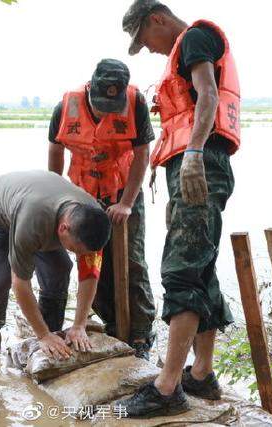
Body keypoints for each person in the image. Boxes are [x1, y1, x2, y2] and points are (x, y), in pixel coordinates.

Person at [117, 0, 241, 417]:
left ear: (158, 19)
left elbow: (207, 94)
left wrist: (193, 153)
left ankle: (167, 387)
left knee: (181, 269)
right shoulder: (184, 48)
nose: (149, 49)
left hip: (199, 163)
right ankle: (201, 375)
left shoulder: (195, 39)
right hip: (195, 167)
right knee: (200, 267)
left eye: (145, 40)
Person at [48, 58, 157, 359]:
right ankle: (110, 322)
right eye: (100, 105)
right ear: (90, 87)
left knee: (132, 261)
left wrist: (126, 203)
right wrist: (56, 195)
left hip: (122, 189)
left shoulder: (135, 103)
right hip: (81, 193)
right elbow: (55, 150)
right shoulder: (65, 106)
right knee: (92, 258)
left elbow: (142, 154)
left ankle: (140, 335)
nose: (106, 111)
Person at [0, 170, 111, 360]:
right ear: (63, 229)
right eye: (75, 250)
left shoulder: (93, 221)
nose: (79, 256)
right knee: (0, 282)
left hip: (34, 205)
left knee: (60, 267)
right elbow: (20, 284)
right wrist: (42, 335)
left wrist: (79, 325)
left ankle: (53, 335)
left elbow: (89, 275)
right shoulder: (33, 223)